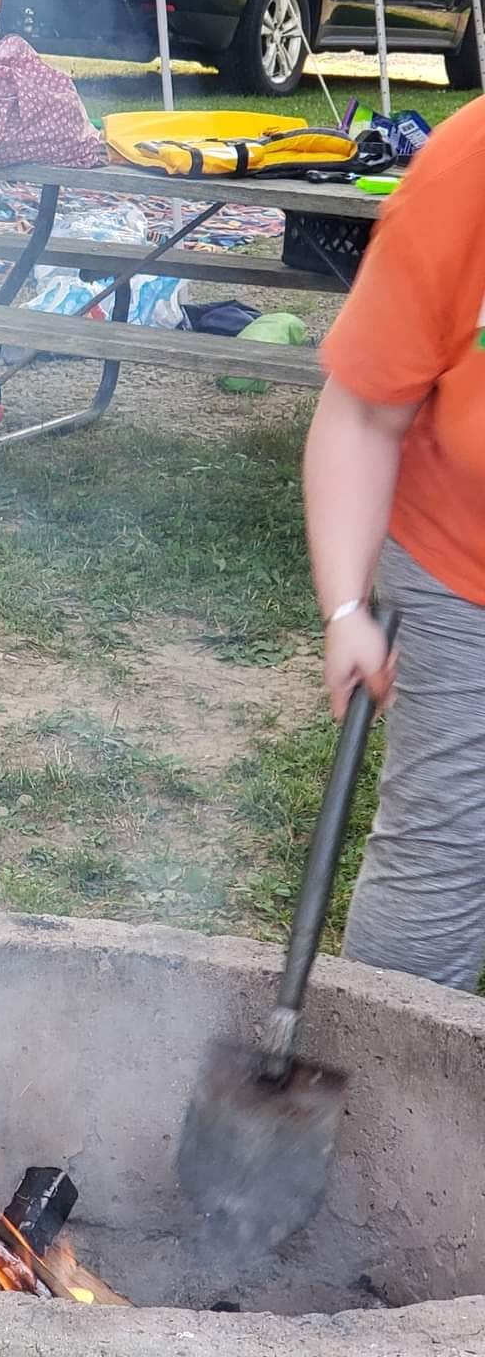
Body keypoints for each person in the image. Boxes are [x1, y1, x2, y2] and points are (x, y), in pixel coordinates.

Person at [305, 95, 485, 990]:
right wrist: (346, 606)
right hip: (469, 571)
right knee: (439, 871)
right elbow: (367, 414)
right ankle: (394, 1100)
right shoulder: (466, 171)